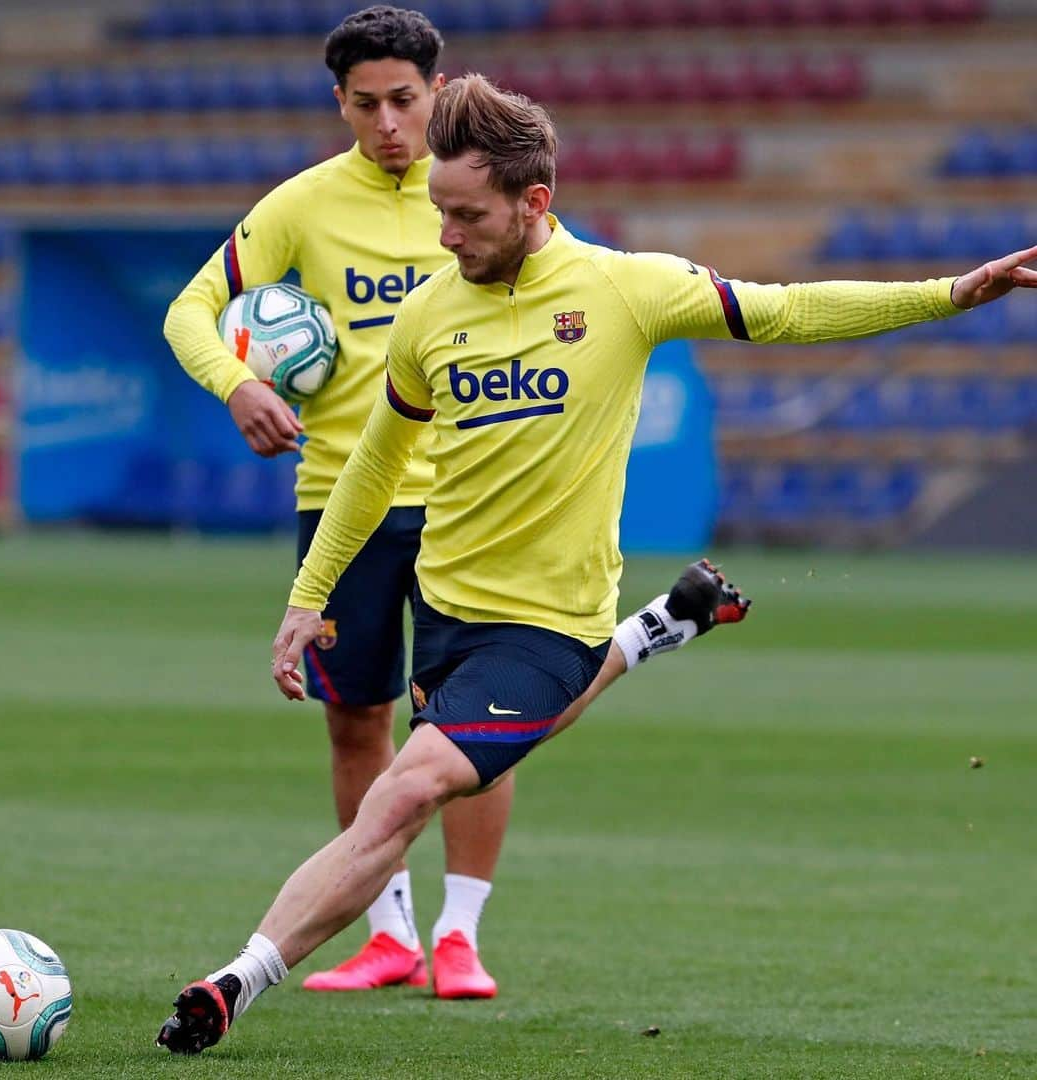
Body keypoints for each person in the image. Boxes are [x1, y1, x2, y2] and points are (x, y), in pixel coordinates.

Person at [166, 65, 1037, 1056]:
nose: (444, 237)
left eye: (464, 217)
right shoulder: (429, 315)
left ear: (534, 203)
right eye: (439, 215)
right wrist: (304, 597)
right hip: (447, 607)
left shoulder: (627, 289)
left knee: (404, 792)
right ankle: (659, 629)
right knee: (428, 784)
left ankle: (236, 981)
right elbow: (371, 468)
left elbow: (786, 311)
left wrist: (946, 295)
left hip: (546, 625)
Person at [161, 8, 738, 1003]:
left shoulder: (479, 192)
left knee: (471, 727)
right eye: (365, 102)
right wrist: (237, 382)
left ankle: (459, 933)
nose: (387, 121)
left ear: (436, 93)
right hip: (346, 487)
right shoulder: (301, 206)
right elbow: (190, 310)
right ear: (337, 103)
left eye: (404, 99)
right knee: (359, 724)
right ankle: (386, 936)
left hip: (473, 500)